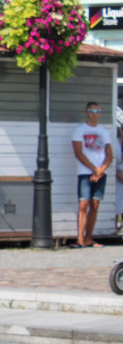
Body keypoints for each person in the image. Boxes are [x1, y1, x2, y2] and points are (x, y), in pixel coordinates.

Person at [71, 101, 113, 248]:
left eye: (97, 111)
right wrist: (93, 168)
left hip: (100, 172)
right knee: (84, 203)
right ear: (87, 112)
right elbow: (78, 152)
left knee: (95, 204)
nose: (95, 114)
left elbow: (109, 154)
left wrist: (101, 169)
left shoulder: (103, 131)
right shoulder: (80, 130)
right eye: (92, 111)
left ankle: (89, 238)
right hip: (85, 172)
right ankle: (80, 239)